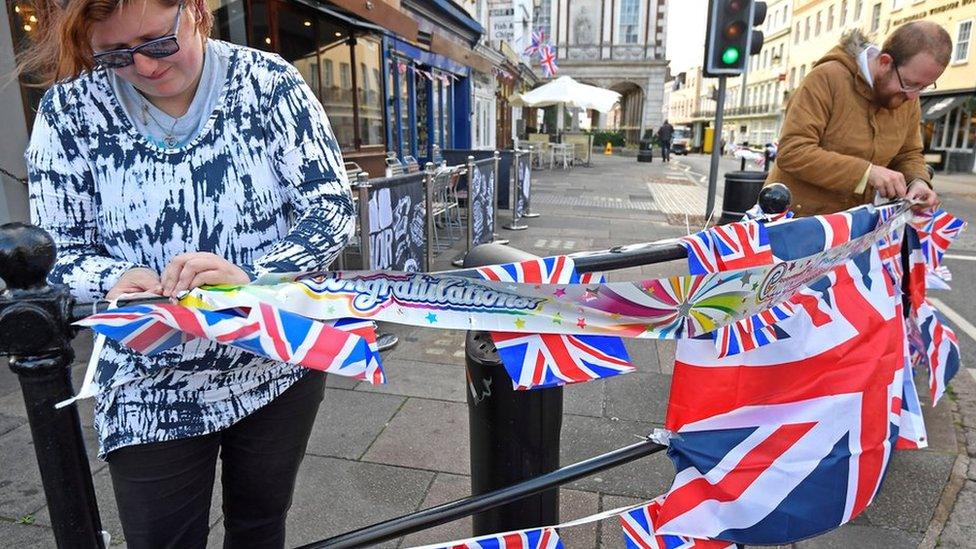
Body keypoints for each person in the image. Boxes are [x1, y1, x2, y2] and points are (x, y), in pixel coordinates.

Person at [21, 0, 355, 547]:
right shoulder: (69, 111)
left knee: (259, 524)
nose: (146, 67)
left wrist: (254, 274)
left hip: (272, 361)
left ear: (197, 9)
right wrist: (114, 277)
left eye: (157, 42)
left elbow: (331, 208)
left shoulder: (268, 84)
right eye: (115, 55)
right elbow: (59, 249)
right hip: (147, 377)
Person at [767, 23, 946, 216]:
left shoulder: (907, 94)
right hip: (799, 223)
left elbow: (908, 153)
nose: (913, 96)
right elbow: (793, 151)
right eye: (910, 84)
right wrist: (866, 173)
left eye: (924, 87)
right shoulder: (826, 78)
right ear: (885, 62)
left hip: (858, 228)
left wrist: (917, 181)